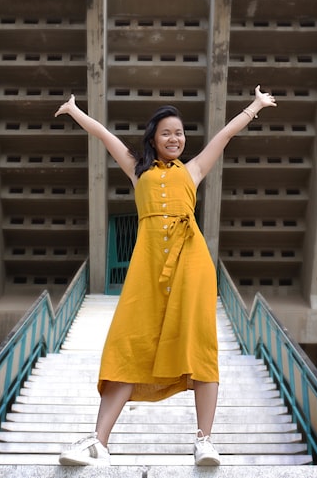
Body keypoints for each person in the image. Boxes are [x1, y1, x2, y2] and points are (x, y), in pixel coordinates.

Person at [55, 85, 278, 467]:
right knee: (128, 343)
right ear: (153, 139)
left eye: (179, 133)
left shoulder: (193, 170)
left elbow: (225, 134)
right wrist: (75, 112)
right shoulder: (135, 168)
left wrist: (255, 106)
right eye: (166, 133)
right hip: (146, 269)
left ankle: (204, 441)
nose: (175, 138)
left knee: (199, 345)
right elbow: (104, 135)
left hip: (191, 265)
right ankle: (98, 443)